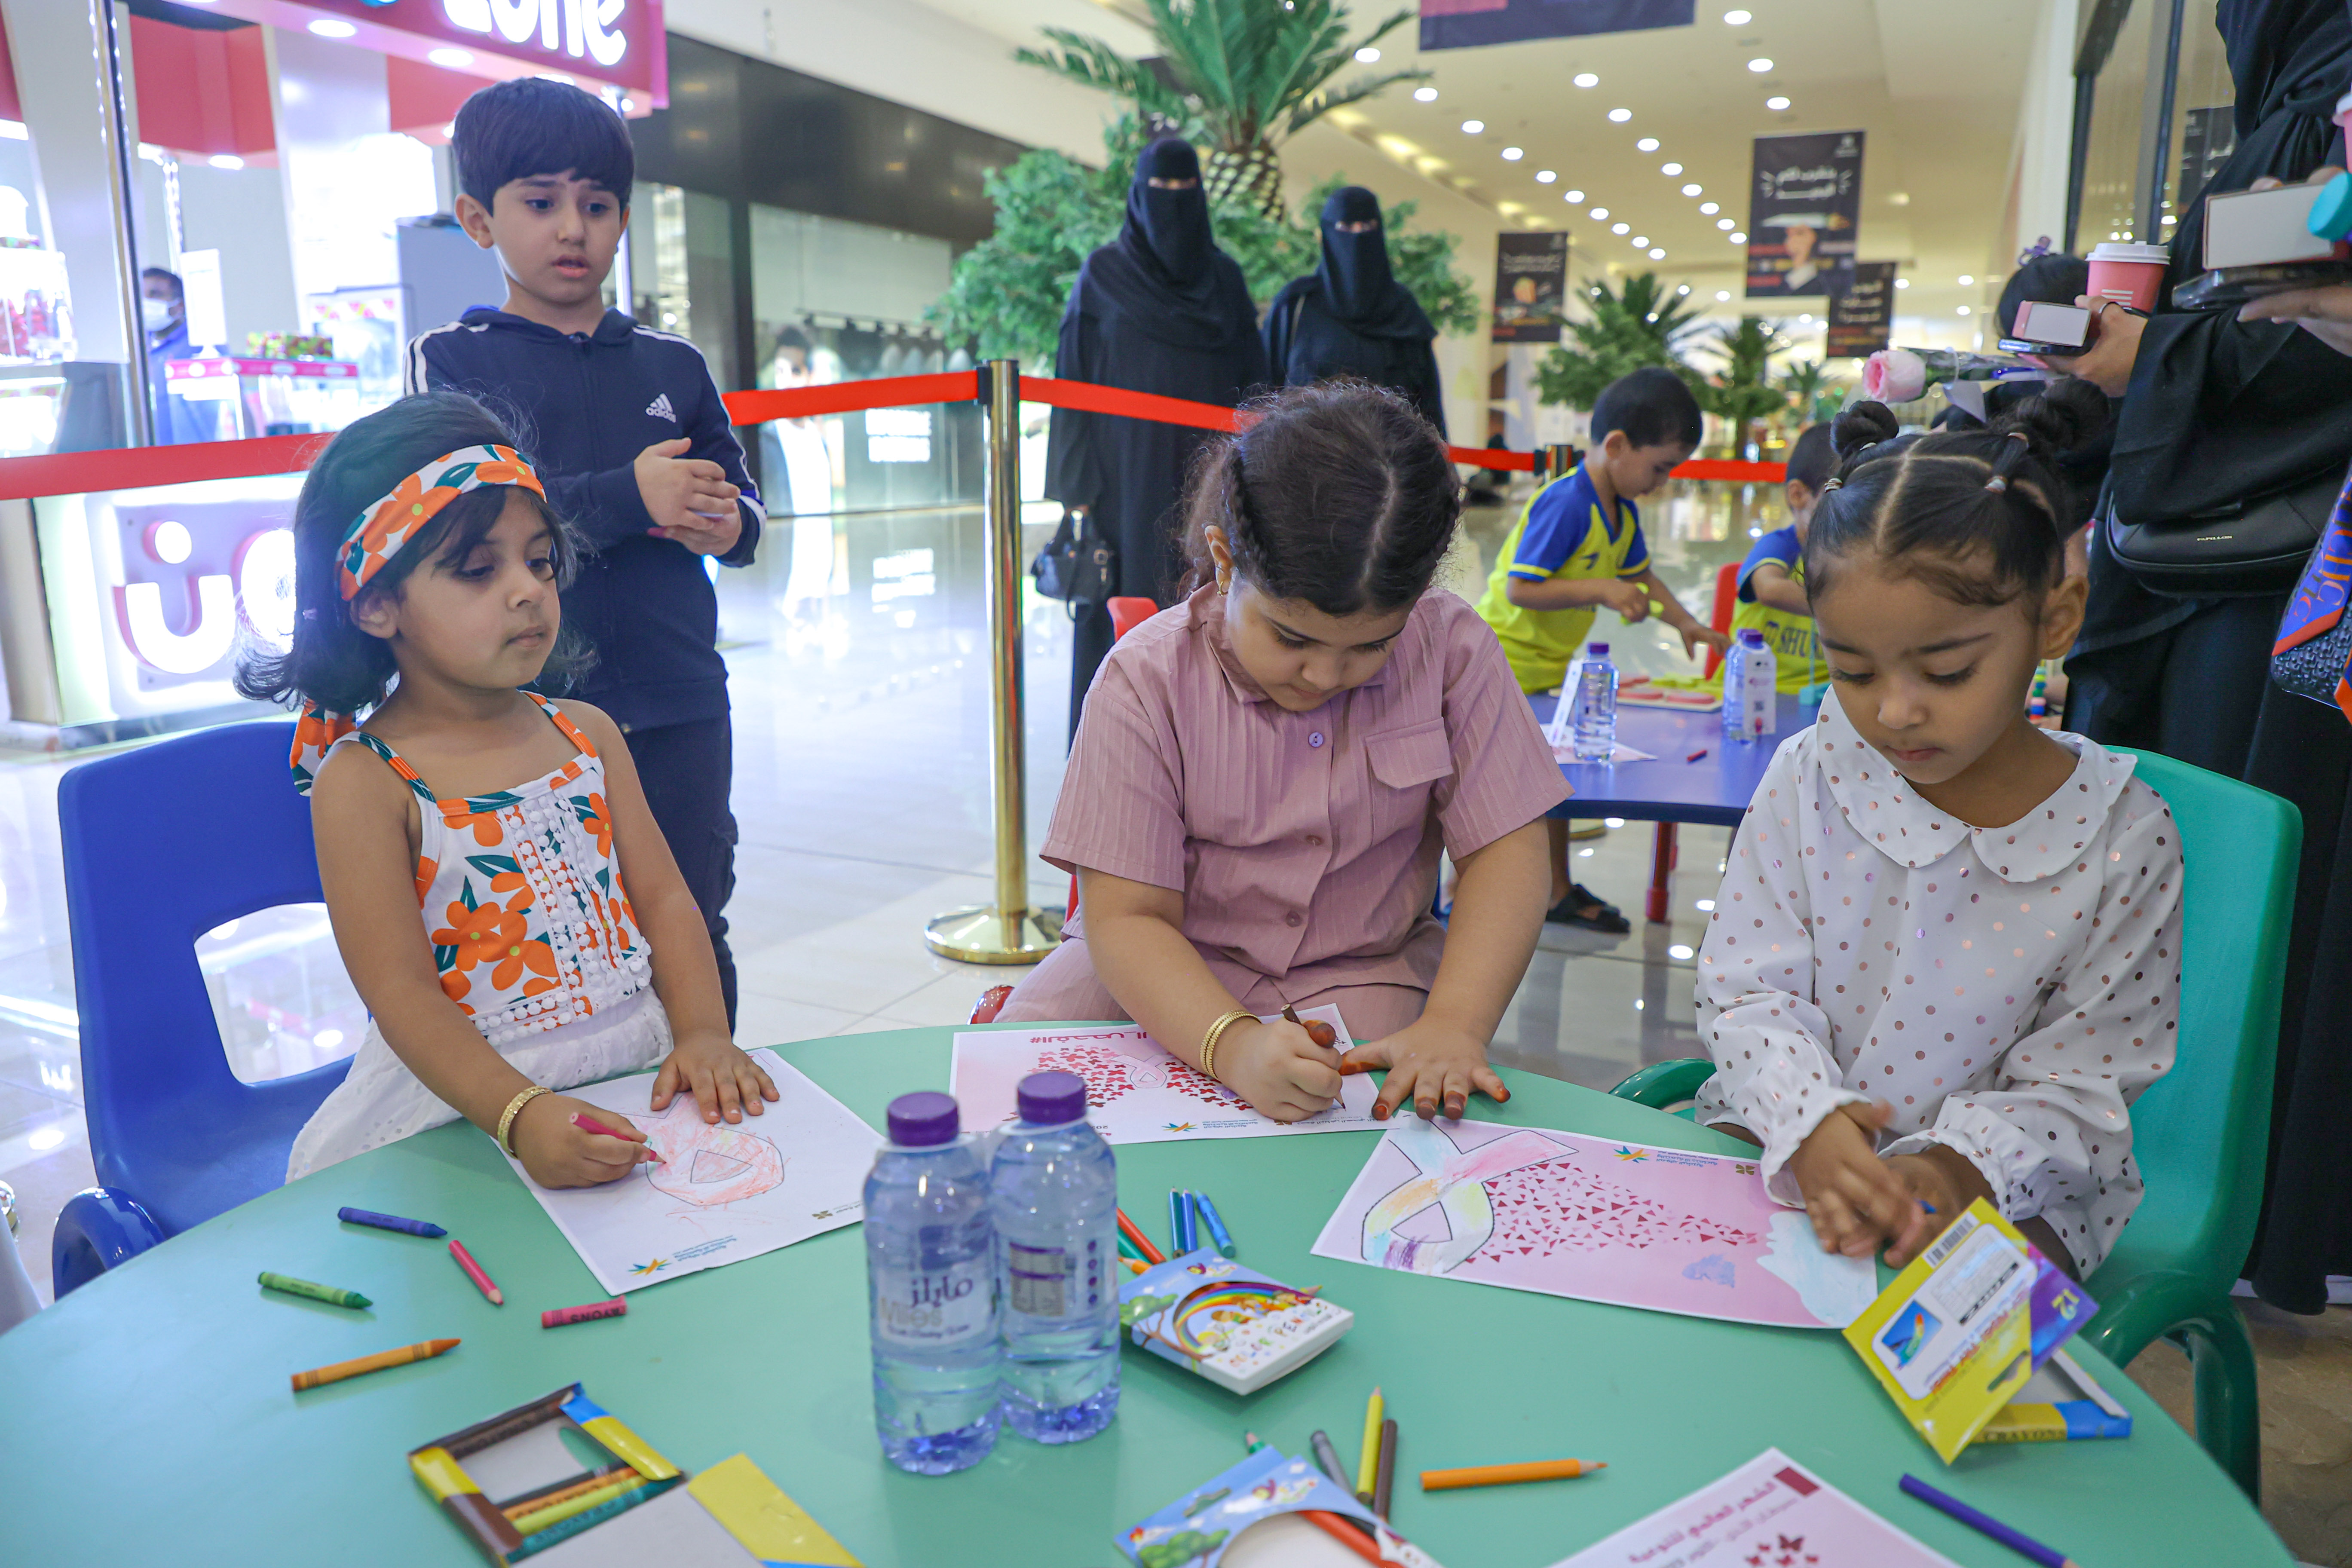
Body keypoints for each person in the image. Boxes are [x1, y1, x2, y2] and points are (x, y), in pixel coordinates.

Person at [1693, 383, 2181, 1280]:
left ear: (2055, 621)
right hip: (1781, 1129)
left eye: (1949, 670)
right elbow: (1745, 992)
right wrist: (1811, 1121)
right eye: (1852, 670)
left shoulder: (2121, 833)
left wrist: (1951, 1171)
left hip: (2002, 1190)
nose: (1896, 712)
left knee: (1923, 1379)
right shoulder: (1813, 770)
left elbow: (2083, 1087)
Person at [234, 392, 777, 1183]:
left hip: (630, 1072)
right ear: (378, 603)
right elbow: (403, 994)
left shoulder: (584, 733)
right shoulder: (365, 779)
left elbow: (664, 899)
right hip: (463, 1116)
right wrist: (519, 1115)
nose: (526, 590)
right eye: (477, 570)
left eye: (539, 561)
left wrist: (702, 1034)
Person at [998, 382, 1566, 1124]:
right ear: (1225, 561)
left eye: (1372, 645)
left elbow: (1507, 850)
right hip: (1153, 979)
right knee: (1017, 1134)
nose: (1325, 676)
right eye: (1291, 638)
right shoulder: (1146, 678)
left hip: (1364, 975)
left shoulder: (1451, 648)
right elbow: (1127, 916)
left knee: (1380, 1173)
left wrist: (1454, 1023)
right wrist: (1229, 1043)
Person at [407, 78, 762, 1028]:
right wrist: (627, 497)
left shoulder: (672, 366)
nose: (573, 228)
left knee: (693, 911)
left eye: (597, 205)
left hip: (683, 698)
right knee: (555, 928)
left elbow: (746, 508)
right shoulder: (454, 362)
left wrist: (731, 526)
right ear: (479, 221)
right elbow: (467, 527)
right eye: (540, 202)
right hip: (531, 707)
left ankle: (711, 1100)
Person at [2049, 0, 2352, 782]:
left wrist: (2152, 353)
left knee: (2238, 837)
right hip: (2248, 574)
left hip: (2264, 584)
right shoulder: (2302, 109)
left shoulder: (2323, 111)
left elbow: (2294, 346)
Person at [1473, 366, 1729, 930]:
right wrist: (1601, 589)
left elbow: (1643, 578)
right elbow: (1521, 588)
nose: (1661, 483)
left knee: (1553, 780)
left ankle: (1554, 890)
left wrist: (1686, 622)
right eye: (1660, 467)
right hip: (1501, 665)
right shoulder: (1566, 502)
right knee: (1509, 789)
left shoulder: (1622, 511)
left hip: (1544, 670)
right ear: (1616, 445)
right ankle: (1471, 895)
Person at [1047, 137, 1268, 740]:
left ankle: (1207, 755)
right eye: (1159, 191)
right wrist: (1079, 501)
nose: (1171, 205)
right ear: (1136, 196)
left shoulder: (1224, 280)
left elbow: (1256, 386)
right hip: (1124, 493)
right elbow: (1072, 387)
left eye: (1183, 191)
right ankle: (1114, 753)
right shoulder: (1104, 276)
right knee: (1128, 621)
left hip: (1212, 488)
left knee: (1212, 614)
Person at [1263, 187, 1446, 435]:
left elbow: (1428, 409)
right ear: (1326, 235)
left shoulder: (1403, 311)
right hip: (1303, 462)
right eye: (1345, 228)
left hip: (1388, 465)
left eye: (1367, 227)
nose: (1358, 237)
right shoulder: (1296, 305)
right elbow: (1264, 395)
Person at [1726, 421, 1833, 693]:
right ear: (1798, 495)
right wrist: (1851, 610)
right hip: (1752, 697)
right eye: (1837, 498)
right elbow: (1770, 589)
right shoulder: (1780, 545)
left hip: (1822, 704)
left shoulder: (1856, 558)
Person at [141, 267, 217, 445]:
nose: (146, 303)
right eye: (142, 295)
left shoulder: (202, 345)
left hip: (197, 456)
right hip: (151, 455)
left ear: (180, 305)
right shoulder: (141, 350)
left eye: (155, 294)